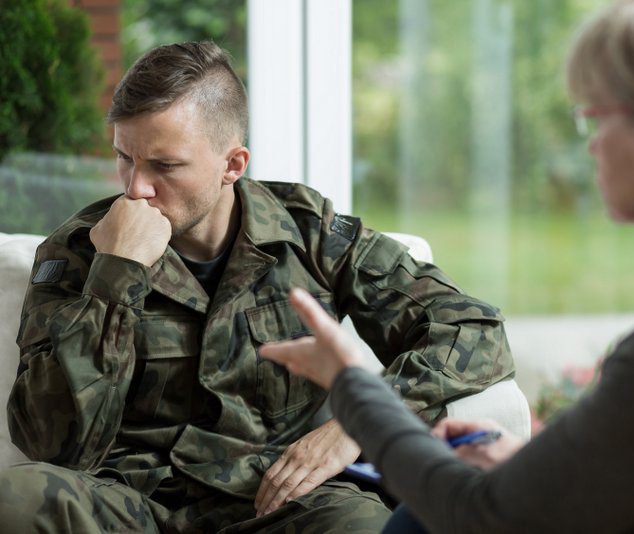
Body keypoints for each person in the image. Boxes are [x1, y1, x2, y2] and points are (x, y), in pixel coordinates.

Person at [260, 0, 634, 532]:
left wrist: (352, 387)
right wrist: (542, 466)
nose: (589, 147)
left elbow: (477, 517)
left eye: (593, 118)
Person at [0, 41, 515, 532]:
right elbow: (50, 442)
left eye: (164, 165)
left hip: (276, 498)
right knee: (13, 501)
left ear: (233, 164)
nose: (136, 188)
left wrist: (357, 424)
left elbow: (471, 327)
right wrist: (115, 273)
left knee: (366, 527)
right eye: (124, 157)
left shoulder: (309, 234)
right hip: (127, 502)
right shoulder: (80, 250)